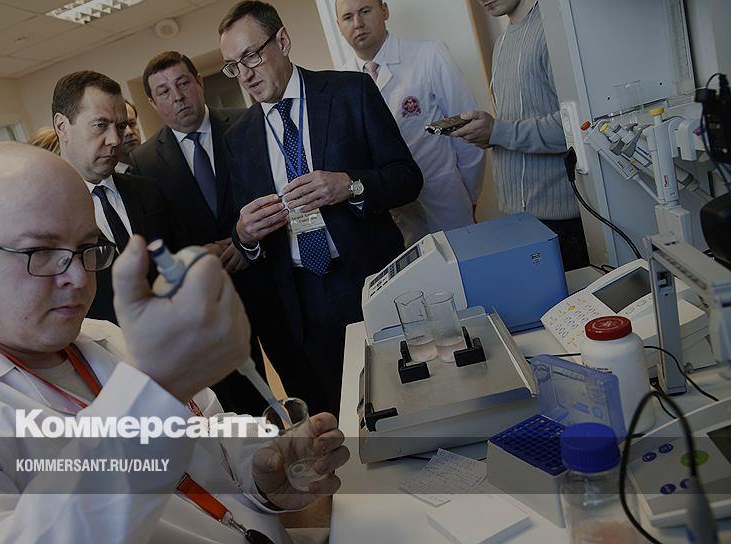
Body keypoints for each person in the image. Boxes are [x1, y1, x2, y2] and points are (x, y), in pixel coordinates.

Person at [0, 142, 349, 543]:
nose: (78, 277)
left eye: (86, 248)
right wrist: (153, 390)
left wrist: (261, 477)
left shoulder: (104, 341)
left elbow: (208, 440)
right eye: (39, 251)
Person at [219, 1, 423, 415]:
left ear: (282, 41)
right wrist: (245, 235)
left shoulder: (350, 92)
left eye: (251, 57)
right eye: (233, 67)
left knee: (404, 401)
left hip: (367, 278)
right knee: (334, 416)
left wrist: (350, 185)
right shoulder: (238, 137)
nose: (246, 75)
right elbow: (243, 236)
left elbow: (407, 178)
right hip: (298, 303)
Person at [131, 50, 294, 416]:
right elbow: (159, 236)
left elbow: (273, 190)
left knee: (301, 377)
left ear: (199, 83)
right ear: (153, 103)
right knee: (244, 404)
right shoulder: (144, 162)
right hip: (208, 301)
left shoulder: (248, 123)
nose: (178, 97)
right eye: (164, 91)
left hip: (269, 280)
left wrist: (246, 242)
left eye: (183, 83)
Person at [337, 0, 485, 246]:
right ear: (339, 26)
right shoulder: (341, 84)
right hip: (394, 215)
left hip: (446, 199)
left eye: (365, 11)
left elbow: (467, 131)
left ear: (384, 10)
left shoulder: (430, 56)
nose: (358, 23)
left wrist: (469, 195)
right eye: (348, 17)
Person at [455, 0, 588, 270]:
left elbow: (574, 126)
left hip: (561, 222)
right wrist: (488, 135)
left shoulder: (553, 29)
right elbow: (514, 125)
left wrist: (498, 131)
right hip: (519, 220)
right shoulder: (502, 42)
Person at [53, 70, 179, 323]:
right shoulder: (45, 214)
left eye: (120, 127)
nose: (115, 140)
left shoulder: (149, 191)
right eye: (100, 125)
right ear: (62, 127)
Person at [116, 99, 141, 174]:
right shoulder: (107, 177)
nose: (129, 132)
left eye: (132, 123)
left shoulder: (157, 160)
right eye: (121, 127)